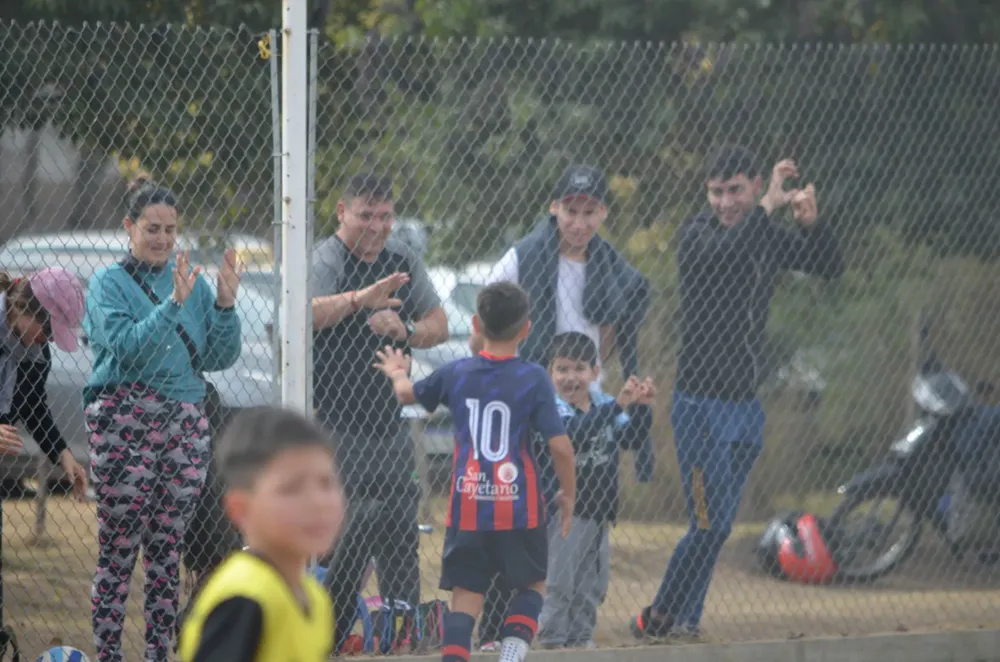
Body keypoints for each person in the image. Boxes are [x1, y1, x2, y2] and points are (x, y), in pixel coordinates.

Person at [630, 145, 844, 640]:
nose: (724, 202)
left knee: (719, 526)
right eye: (716, 192)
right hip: (698, 409)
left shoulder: (763, 236)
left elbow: (829, 266)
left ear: (751, 184)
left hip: (745, 409)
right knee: (707, 523)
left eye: (735, 191)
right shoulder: (696, 237)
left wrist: (812, 224)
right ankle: (659, 615)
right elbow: (730, 255)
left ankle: (685, 620)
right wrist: (767, 206)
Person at [477, 165, 653, 650]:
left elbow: (615, 334)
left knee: (578, 522)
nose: (578, 222)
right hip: (529, 402)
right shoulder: (524, 256)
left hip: (582, 403)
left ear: (602, 212)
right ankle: (499, 629)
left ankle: (571, 635)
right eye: (570, 210)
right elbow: (485, 319)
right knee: (515, 519)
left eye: (589, 211)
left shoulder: (611, 267)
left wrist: (595, 385)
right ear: (554, 207)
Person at [83, 175, 245, 662]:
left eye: (170, 230)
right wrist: (172, 304)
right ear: (129, 226)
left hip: (184, 422)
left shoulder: (190, 282)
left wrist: (223, 303)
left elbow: (218, 355)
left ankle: (159, 652)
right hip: (123, 422)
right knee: (118, 550)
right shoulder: (108, 284)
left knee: (165, 550)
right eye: (152, 228)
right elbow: (129, 348)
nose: (161, 239)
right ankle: (108, 652)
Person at [373, 281, 577, 662]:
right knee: (532, 584)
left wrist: (397, 371)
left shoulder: (457, 372)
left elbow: (406, 395)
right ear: (526, 328)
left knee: (466, 595)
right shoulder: (534, 378)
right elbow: (560, 447)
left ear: (475, 324)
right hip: (519, 506)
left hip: (468, 505)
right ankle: (511, 655)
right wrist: (568, 492)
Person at [309, 172, 449, 651]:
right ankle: (324, 633)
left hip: (387, 423)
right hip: (333, 424)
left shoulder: (402, 260)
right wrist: (358, 300)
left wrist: (407, 328)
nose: (376, 225)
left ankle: (400, 631)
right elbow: (303, 313)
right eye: (366, 214)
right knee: (340, 533)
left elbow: (440, 324)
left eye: (385, 215)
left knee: (397, 527)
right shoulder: (328, 258)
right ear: (342, 212)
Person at [176, 405, 346, 662]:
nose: (317, 502)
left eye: (326, 483)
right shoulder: (243, 598)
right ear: (241, 509)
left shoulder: (314, 597)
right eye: (292, 488)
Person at [536, 332, 655, 649]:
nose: (570, 377)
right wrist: (618, 405)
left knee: (592, 584)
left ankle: (579, 640)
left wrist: (641, 407)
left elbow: (631, 439)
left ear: (594, 372)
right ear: (550, 373)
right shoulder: (552, 408)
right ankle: (552, 641)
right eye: (562, 369)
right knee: (560, 582)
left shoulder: (603, 404)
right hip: (565, 513)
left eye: (579, 368)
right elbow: (574, 435)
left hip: (599, 510)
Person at [0, 267, 89, 658]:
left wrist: (63, 454)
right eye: (48, 329)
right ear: (23, 308)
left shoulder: (35, 353)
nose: (48, 340)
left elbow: (34, 409)